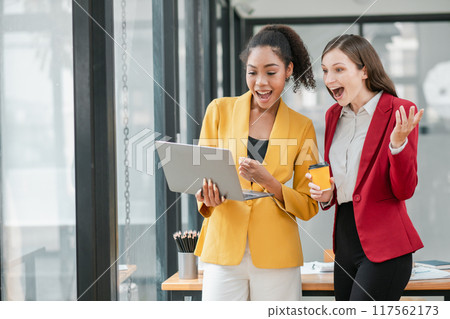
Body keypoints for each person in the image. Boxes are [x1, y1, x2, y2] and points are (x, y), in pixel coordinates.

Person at [193, 25, 319, 301]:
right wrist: (206, 196)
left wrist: (270, 183)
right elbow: (202, 180)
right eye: (252, 72)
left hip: (277, 254)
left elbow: (309, 205)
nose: (261, 82)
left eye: (271, 72)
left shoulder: (302, 127)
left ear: (288, 70)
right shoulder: (219, 111)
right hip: (223, 249)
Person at [307, 34, 424, 301]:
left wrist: (397, 145)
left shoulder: (400, 111)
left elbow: (404, 189)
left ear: (364, 71)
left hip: (386, 248)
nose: (329, 79)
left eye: (339, 69)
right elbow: (345, 182)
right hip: (345, 245)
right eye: (325, 71)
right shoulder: (333, 115)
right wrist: (328, 195)